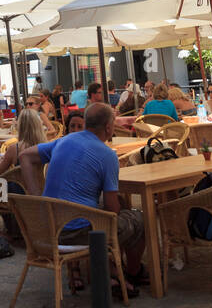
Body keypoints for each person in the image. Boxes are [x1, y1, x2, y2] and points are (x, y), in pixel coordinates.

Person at [19, 103, 148, 296]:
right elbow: (112, 210)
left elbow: (25, 156)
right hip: (76, 234)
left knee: (104, 214)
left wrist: (36, 196)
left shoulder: (63, 141)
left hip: (46, 229)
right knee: (138, 219)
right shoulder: (107, 155)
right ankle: (131, 272)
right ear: (108, 127)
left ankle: (111, 269)